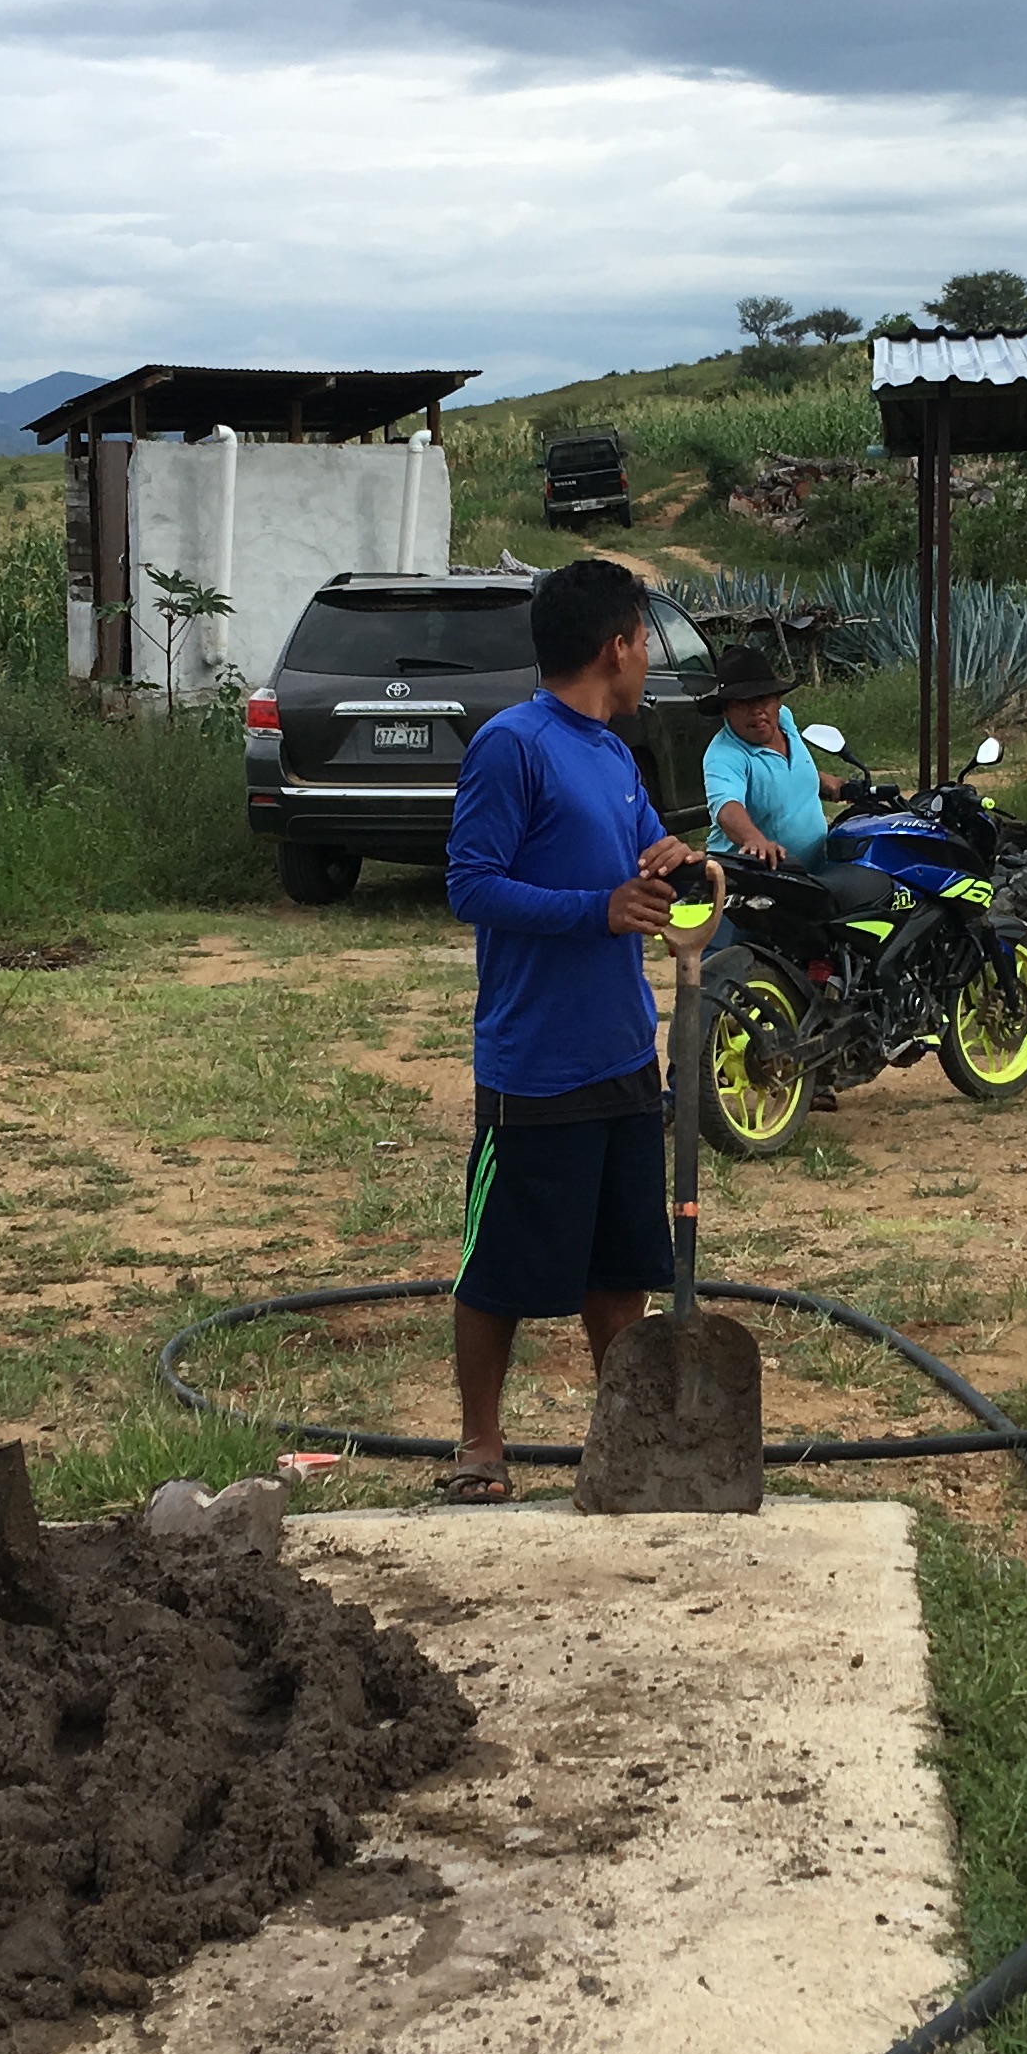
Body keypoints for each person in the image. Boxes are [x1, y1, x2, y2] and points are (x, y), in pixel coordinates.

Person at [441, 556, 715, 1501]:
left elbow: (641, 862)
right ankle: (482, 1448)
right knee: (501, 1267)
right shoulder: (512, 746)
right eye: (645, 640)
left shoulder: (613, 756)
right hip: (536, 1062)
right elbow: (469, 884)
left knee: (621, 1258)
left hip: (621, 1052)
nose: (648, 658)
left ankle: (623, 1432)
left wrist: (681, 866)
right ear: (617, 647)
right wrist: (592, 912)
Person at [698, 640, 844, 872]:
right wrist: (753, 839)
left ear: (778, 701)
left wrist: (822, 780)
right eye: (743, 702)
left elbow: (783, 775)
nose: (757, 710)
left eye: (764, 699)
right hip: (756, 880)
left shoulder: (784, 719)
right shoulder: (723, 755)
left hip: (814, 874)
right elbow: (727, 807)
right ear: (725, 711)